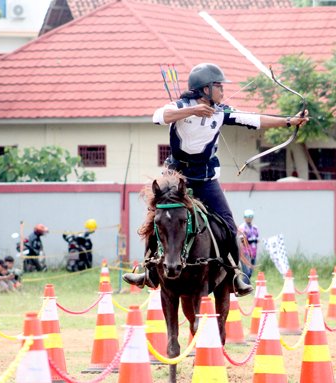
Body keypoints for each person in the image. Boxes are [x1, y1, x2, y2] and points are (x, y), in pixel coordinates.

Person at [123, 63, 308, 297]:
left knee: (230, 227)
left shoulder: (221, 111)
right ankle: (148, 270)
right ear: (205, 89)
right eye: (218, 86)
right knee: (158, 220)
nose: (222, 90)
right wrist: (192, 111)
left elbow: (254, 120)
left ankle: (235, 275)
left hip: (206, 178)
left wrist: (289, 121)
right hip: (177, 177)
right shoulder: (181, 106)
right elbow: (158, 116)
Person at [238, 209, 260, 280]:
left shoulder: (255, 228)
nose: (249, 218)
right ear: (244, 217)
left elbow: (257, 239)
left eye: (251, 216)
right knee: (246, 273)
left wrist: (254, 240)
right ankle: (242, 289)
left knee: (250, 273)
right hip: (245, 253)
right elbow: (242, 240)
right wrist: (251, 240)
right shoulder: (242, 227)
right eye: (248, 217)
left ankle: (246, 289)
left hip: (253, 253)